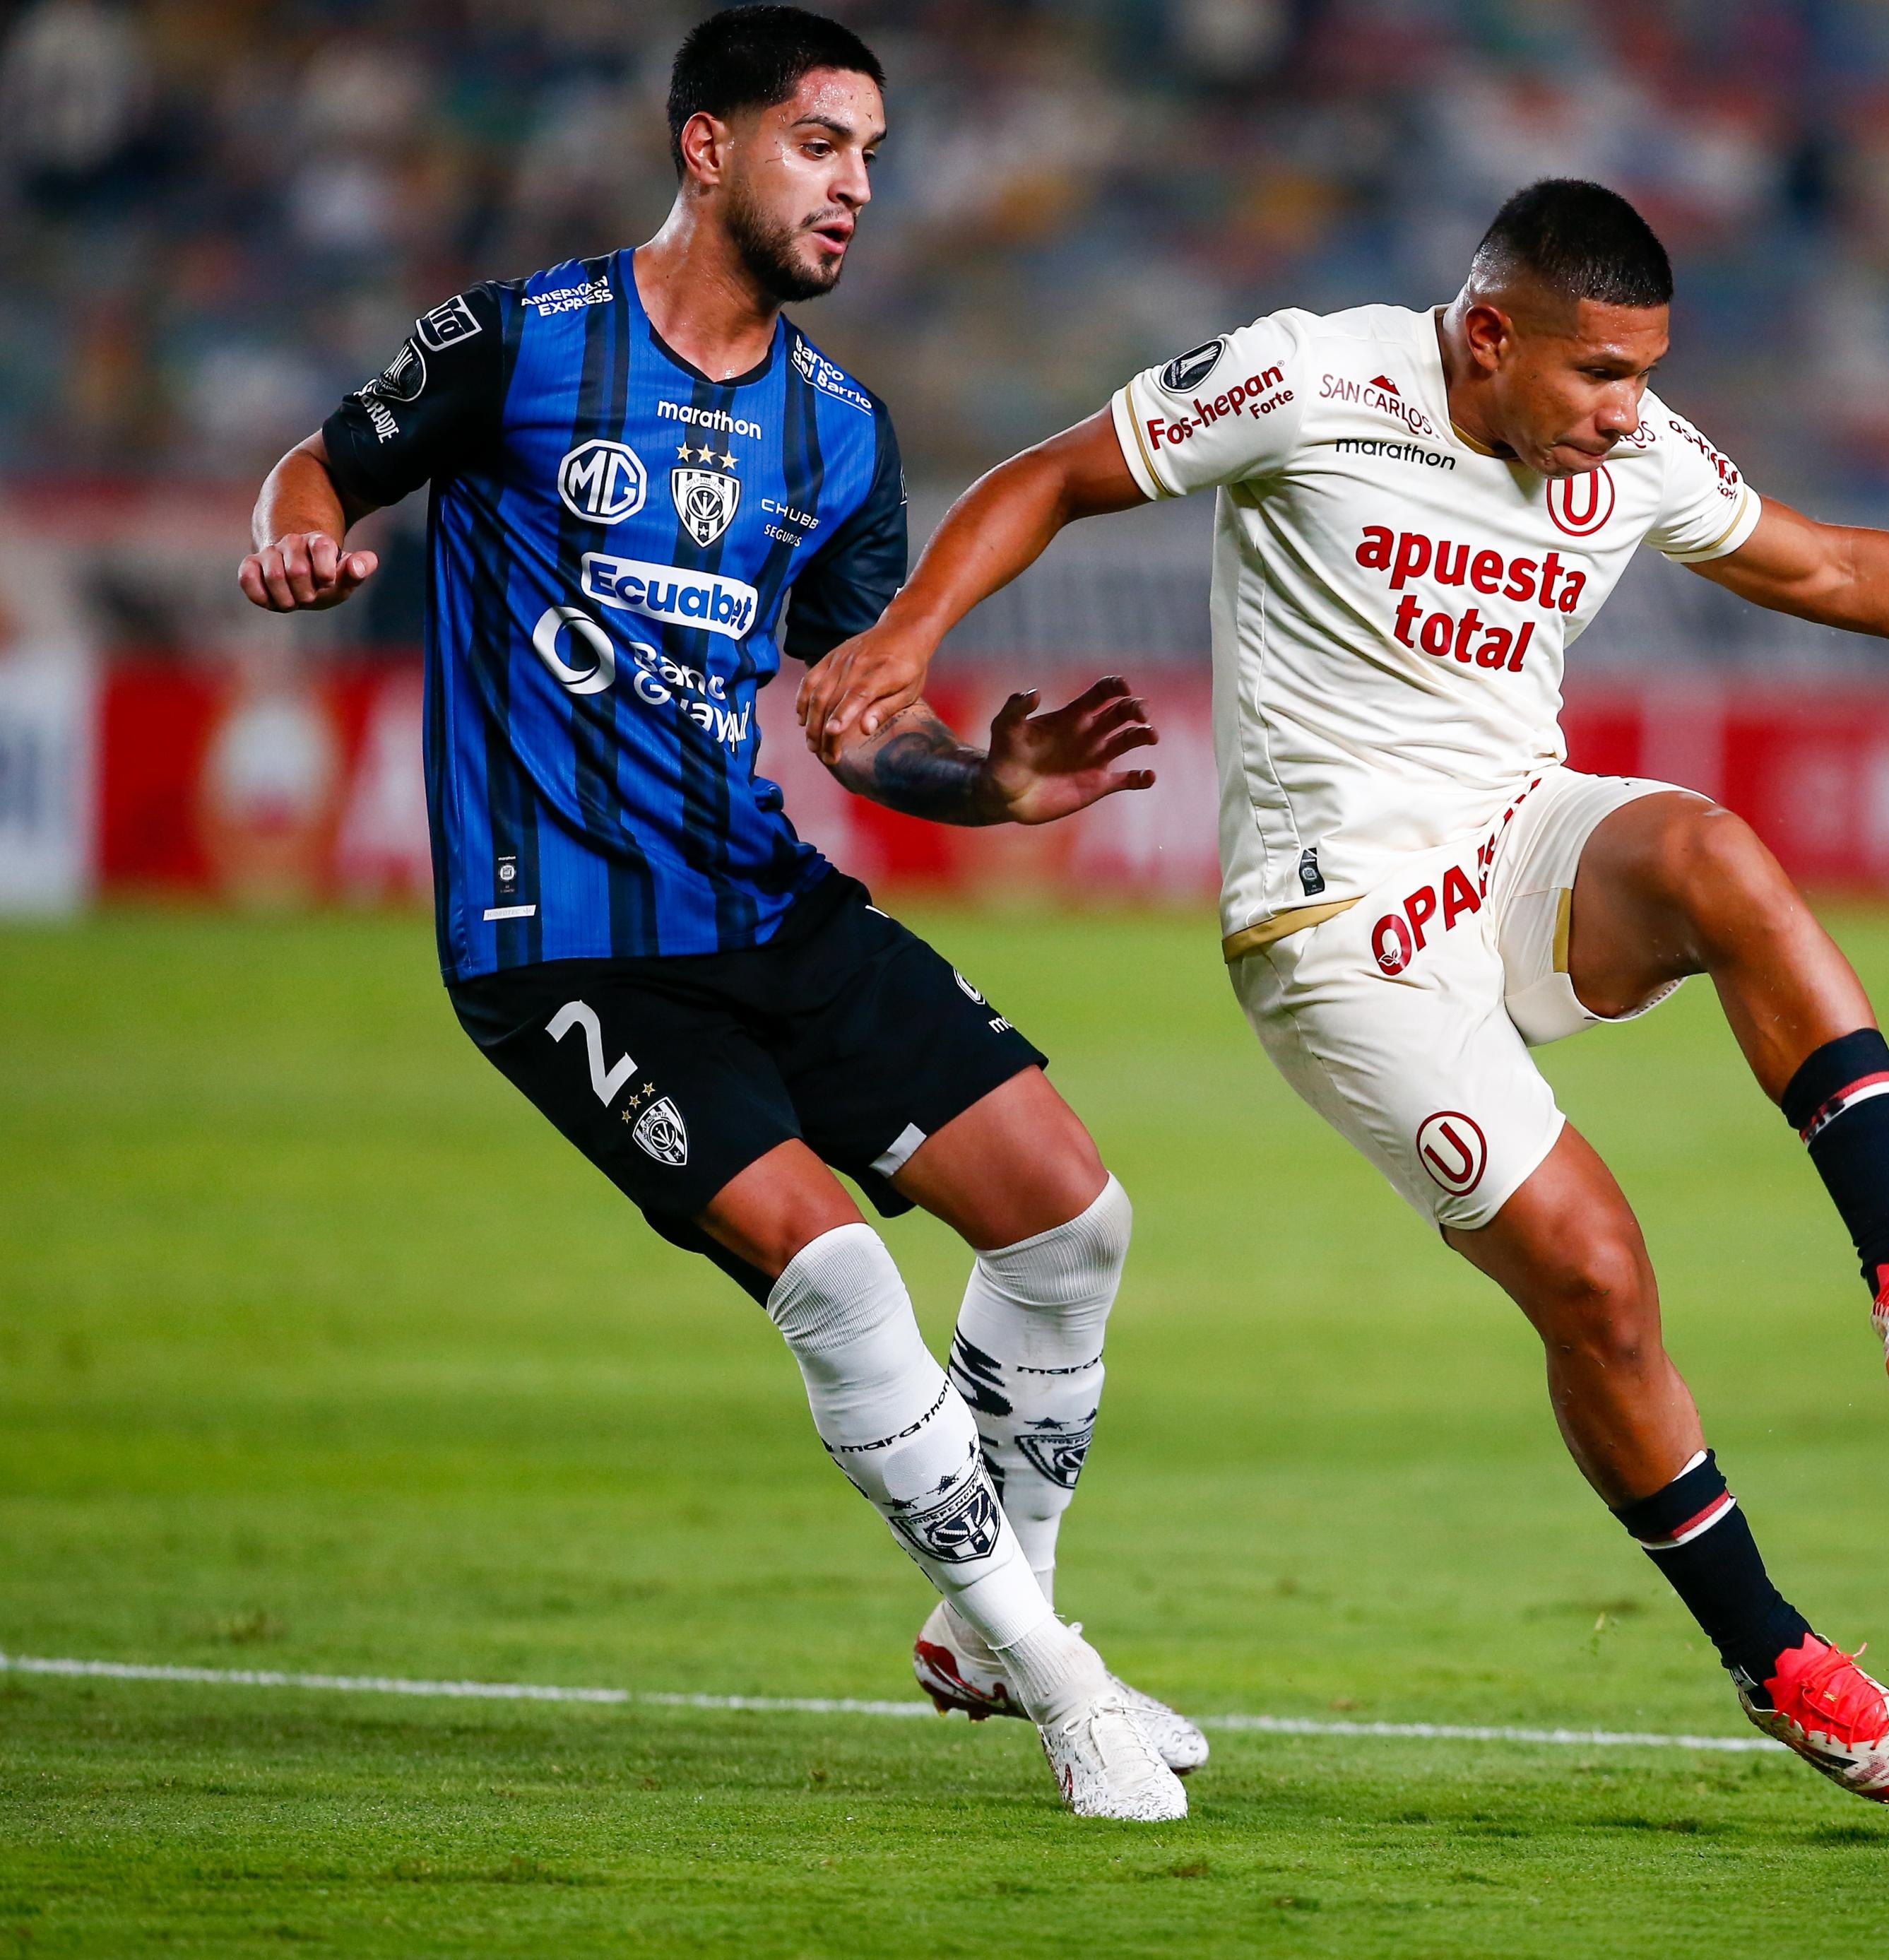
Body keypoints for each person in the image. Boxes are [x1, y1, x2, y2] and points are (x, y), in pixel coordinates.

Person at [795, 179, 1889, 1801]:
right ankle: (1776, 1659)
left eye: (1645, 374)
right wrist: (907, 642)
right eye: (1600, 374)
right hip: (1337, 930)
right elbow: (1056, 473)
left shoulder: (1628, 454)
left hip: (1512, 840)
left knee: (1712, 858)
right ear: (1488, 336)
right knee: (1601, 1285)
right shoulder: (1308, 380)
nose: (1627, 415)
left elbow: (1826, 572)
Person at [235, 6, 1195, 1821]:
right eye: (822, 145)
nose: (854, 189)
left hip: (756, 898)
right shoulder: (524, 342)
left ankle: (992, 1622)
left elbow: (859, 715)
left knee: (1073, 1221)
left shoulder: (840, 433)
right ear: (707, 146)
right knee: (833, 1267)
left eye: (872, 158)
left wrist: (981, 784)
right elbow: (318, 467)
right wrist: (287, 536)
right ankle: (1067, 1689)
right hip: (564, 940)